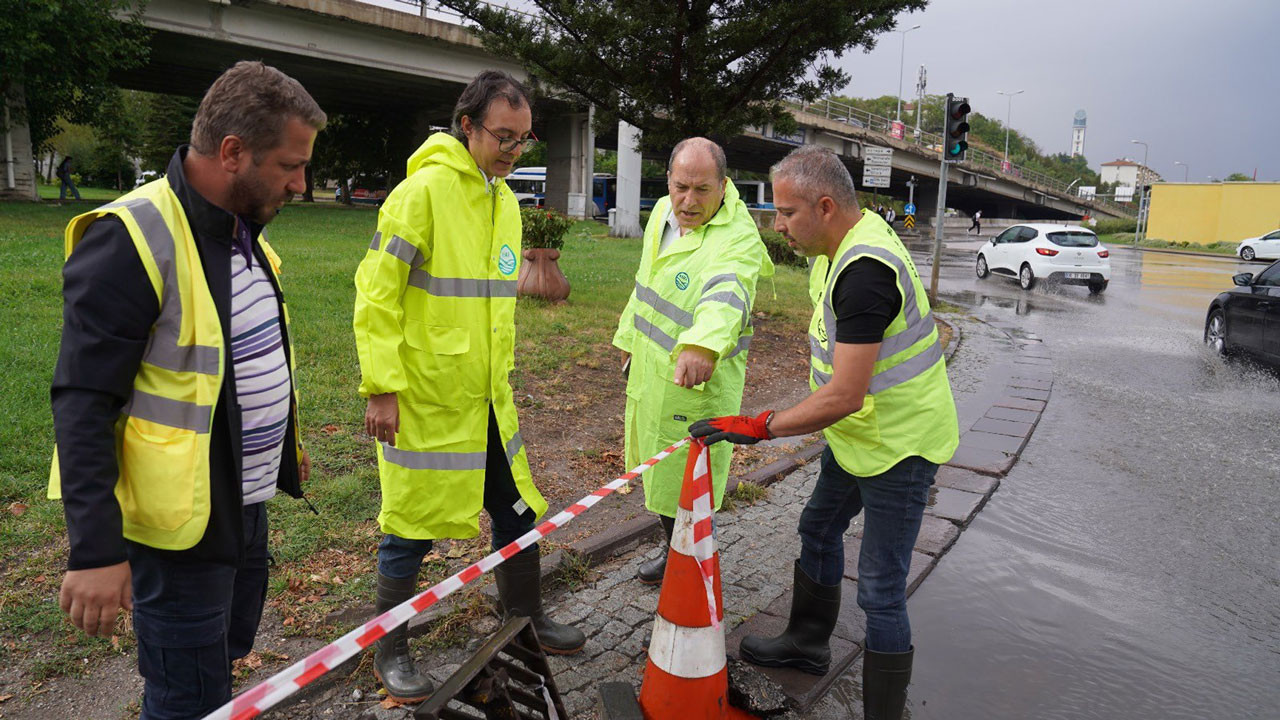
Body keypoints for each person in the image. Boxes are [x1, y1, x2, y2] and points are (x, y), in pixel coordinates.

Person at [49, 61, 323, 719]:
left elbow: (233, 364)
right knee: (186, 699)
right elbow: (83, 400)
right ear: (232, 153)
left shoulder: (241, 227)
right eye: (290, 164)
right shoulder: (132, 236)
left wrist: (283, 446)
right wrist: (95, 551)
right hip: (178, 536)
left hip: (240, 506)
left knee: (214, 672)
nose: (302, 183)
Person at [690, 146, 958, 720]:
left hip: (900, 447)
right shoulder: (836, 250)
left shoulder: (864, 275)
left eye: (786, 213)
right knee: (818, 526)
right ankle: (808, 644)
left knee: (881, 589)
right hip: (860, 437)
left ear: (827, 206)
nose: (776, 224)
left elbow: (844, 395)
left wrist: (761, 426)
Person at [352, 70, 585, 702]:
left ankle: (525, 621)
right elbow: (375, 296)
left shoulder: (504, 201)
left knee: (516, 509)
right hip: (425, 399)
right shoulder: (419, 194)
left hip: (486, 397)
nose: (513, 149)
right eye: (501, 136)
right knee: (411, 523)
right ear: (466, 126)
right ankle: (390, 648)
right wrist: (381, 388)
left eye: (523, 139)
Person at [612, 138, 774, 585]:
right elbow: (646, 283)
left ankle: (696, 571)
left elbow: (728, 295)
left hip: (695, 384)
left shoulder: (736, 238)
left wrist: (702, 345)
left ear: (723, 187)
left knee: (690, 485)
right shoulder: (662, 214)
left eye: (702, 190)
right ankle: (674, 552)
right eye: (681, 186)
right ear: (668, 181)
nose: (689, 200)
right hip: (651, 371)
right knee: (661, 475)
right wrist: (627, 339)